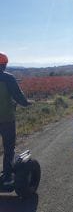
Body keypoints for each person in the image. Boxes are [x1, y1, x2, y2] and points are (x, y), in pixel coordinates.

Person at [0, 53, 31, 185]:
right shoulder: (8, 78)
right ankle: (7, 178)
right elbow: (18, 96)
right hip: (6, 118)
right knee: (8, 148)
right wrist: (26, 103)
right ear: (5, 64)